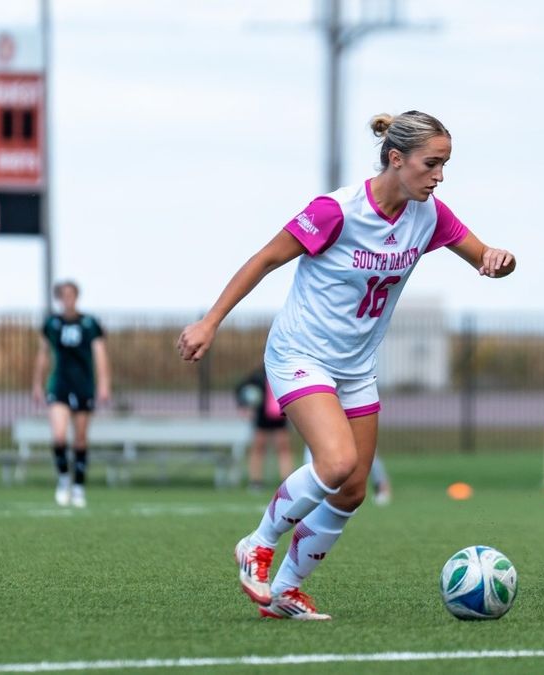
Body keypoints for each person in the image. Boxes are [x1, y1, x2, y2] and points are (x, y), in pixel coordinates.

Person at [177, 110, 514, 620]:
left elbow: (485, 256)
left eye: (445, 165)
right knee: (335, 463)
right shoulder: (336, 211)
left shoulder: (429, 215)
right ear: (396, 158)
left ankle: (286, 590)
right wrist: (210, 322)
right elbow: (265, 259)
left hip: (355, 367)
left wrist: (499, 260)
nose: (440, 176)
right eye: (431, 164)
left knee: (352, 489)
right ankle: (258, 542)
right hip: (300, 354)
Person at [31, 281, 111, 508]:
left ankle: (79, 486)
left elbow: (100, 354)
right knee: (59, 436)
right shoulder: (52, 324)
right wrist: (37, 383)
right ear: (59, 298)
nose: (68, 299)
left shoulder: (90, 324)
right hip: (59, 385)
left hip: (83, 385)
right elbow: (43, 354)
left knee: (80, 439)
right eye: (63, 295)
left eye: (71, 295)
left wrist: (104, 384)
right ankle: (64, 479)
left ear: (76, 297)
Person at [236, 366, 293, 491]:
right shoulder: (258, 375)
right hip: (262, 417)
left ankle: (286, 482)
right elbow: (241, 388)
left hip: (280, 416)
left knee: (283, 449)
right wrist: (243, 406)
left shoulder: (283, 371)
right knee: (258, 448)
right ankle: (256, 481)